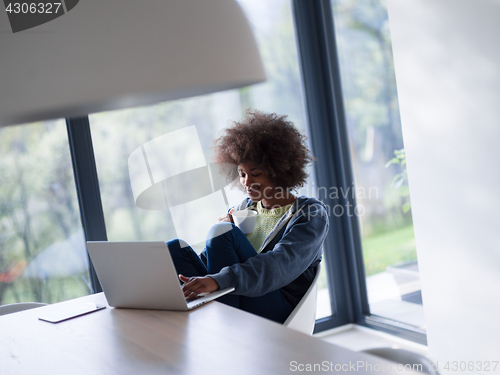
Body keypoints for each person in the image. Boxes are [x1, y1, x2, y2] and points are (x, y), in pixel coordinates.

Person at [167, 110, 329, 323]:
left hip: (276, 305)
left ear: (278, 169)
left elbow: (279, 265)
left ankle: (218, 326)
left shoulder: (309, 214)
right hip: (237, 296)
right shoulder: (244, 208)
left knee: (221, 233)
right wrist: (218, 244)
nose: (245, 182)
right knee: (173, 249)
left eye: (255, 173)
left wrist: (224, 242)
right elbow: (210, 265)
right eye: (242, 174)